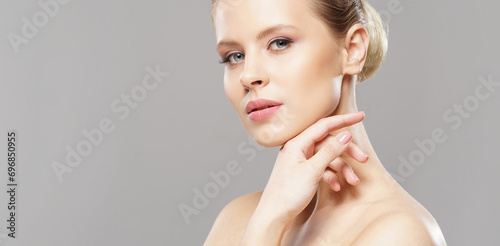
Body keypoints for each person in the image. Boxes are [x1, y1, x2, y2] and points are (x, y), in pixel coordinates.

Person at [205, 0, 447, 245]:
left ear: (352, 49)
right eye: (235, 56)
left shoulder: (398, 234)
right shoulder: (240, 218)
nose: (248, 75)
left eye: (280, 43)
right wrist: (269, 219)